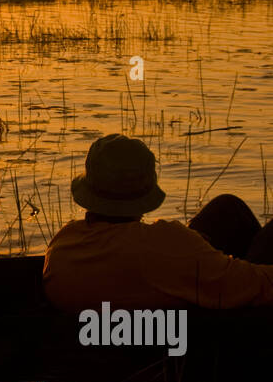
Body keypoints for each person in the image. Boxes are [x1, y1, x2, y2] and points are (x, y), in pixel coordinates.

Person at [44, 133, 273, 312]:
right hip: (206, 335)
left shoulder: (63, 244)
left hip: (117, 335)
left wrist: (193, 248)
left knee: (226, 208)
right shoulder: (166, 245)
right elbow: (258, 285)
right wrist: (193, 249)